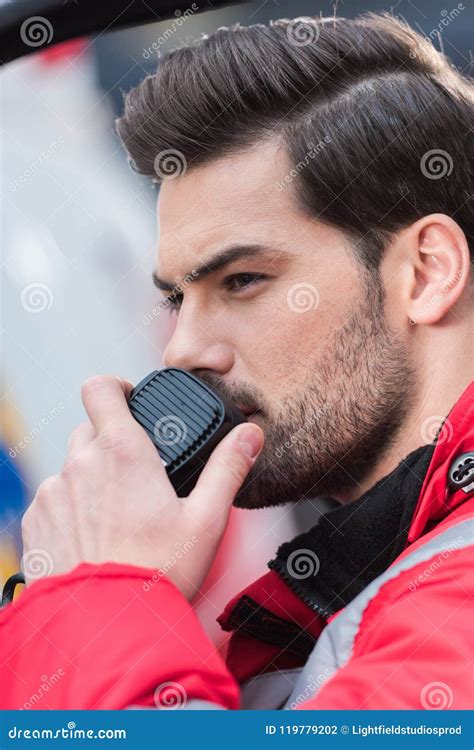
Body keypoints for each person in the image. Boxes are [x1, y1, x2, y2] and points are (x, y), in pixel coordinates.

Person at [2, 13, 473, 710]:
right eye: (177, 297)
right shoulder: (330, 605)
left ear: (427, 272)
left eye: (243, 281)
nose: (183, 351)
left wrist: (101, 590)